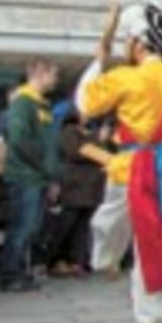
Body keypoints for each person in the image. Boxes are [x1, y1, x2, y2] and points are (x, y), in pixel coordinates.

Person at [78, 3, 162, 323]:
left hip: (131, 164)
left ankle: (106, 259)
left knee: (109, 219)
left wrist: (97, 62)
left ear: (139, 43)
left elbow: (85, 103)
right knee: (156, 237)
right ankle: (151, 315)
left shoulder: (126, 78)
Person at [0, 60, 60, 292]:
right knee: (22, 227)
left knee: (31, 227)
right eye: (53, 74)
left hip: (38, 176)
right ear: (39, 73)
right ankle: (11, 274)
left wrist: (51, 175)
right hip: (25, 176)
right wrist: (45, 167)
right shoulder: (23, 103)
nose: (56, 79)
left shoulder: (41, 105)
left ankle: (20, 271)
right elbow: (20, 139)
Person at [41, 106, 107, 275]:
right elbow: (74, 152)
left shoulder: (89, 132)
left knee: (83, 226)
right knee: (67, 222)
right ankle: (53, 258)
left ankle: (79, 260)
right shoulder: (68, 132)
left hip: (90, 185)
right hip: (75, 184)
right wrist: (94, 143)